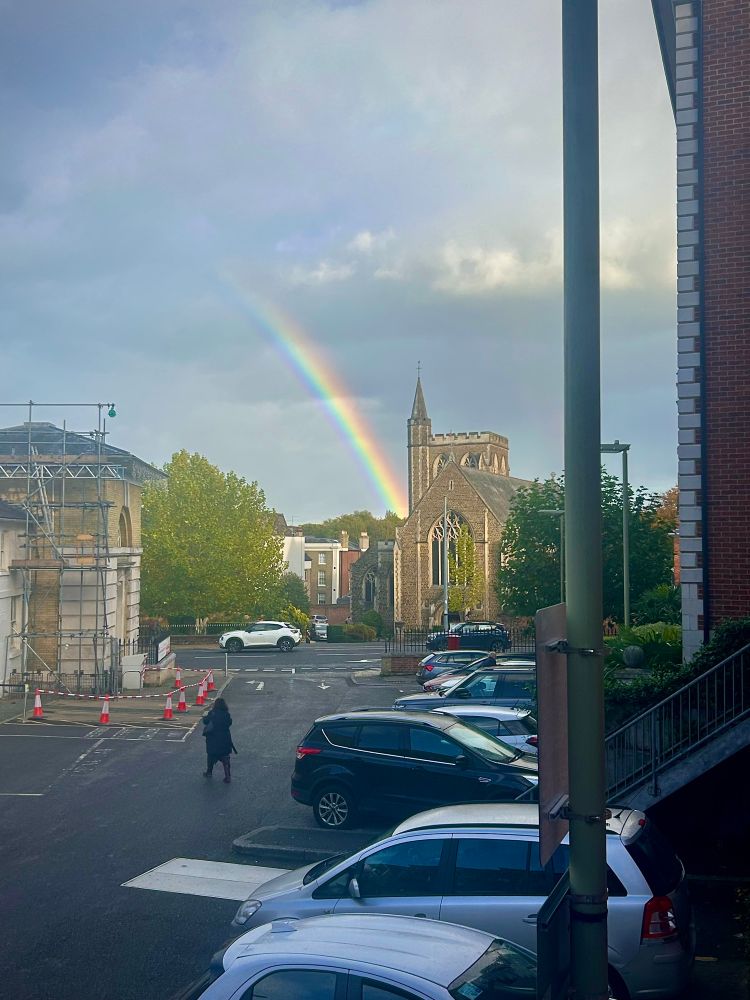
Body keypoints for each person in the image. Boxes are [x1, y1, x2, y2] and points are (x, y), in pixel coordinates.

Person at [202, 697, 236, 783]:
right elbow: (229, 722)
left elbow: (205, 721)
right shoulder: (226, 714)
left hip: (213, 739)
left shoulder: (212, 713)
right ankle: (227, 776)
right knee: (225, 758)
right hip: (225, 739)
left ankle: (209, 772)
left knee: (211, 756)